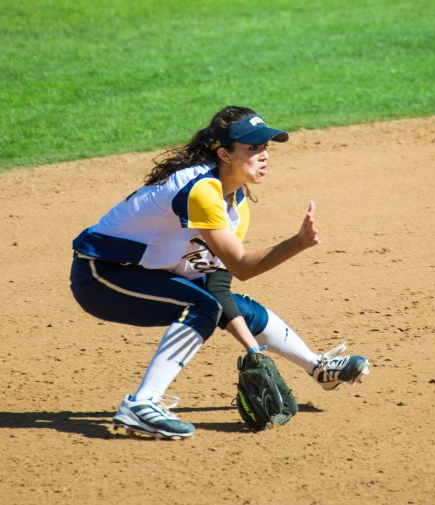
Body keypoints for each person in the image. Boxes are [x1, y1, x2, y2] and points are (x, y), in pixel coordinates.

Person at [70, 106, 370, 440]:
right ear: (225, 154)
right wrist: (297, 243)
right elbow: (242, 266)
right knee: (200, 307)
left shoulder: (236, 203)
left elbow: (219, 284)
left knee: (228, 305)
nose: (264, 155)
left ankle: (318, 368)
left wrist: (252, 349)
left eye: (265, 147)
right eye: (253, 148)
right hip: (101, 274)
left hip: (145, 272)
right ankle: (142, 404)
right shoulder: (201, 190)